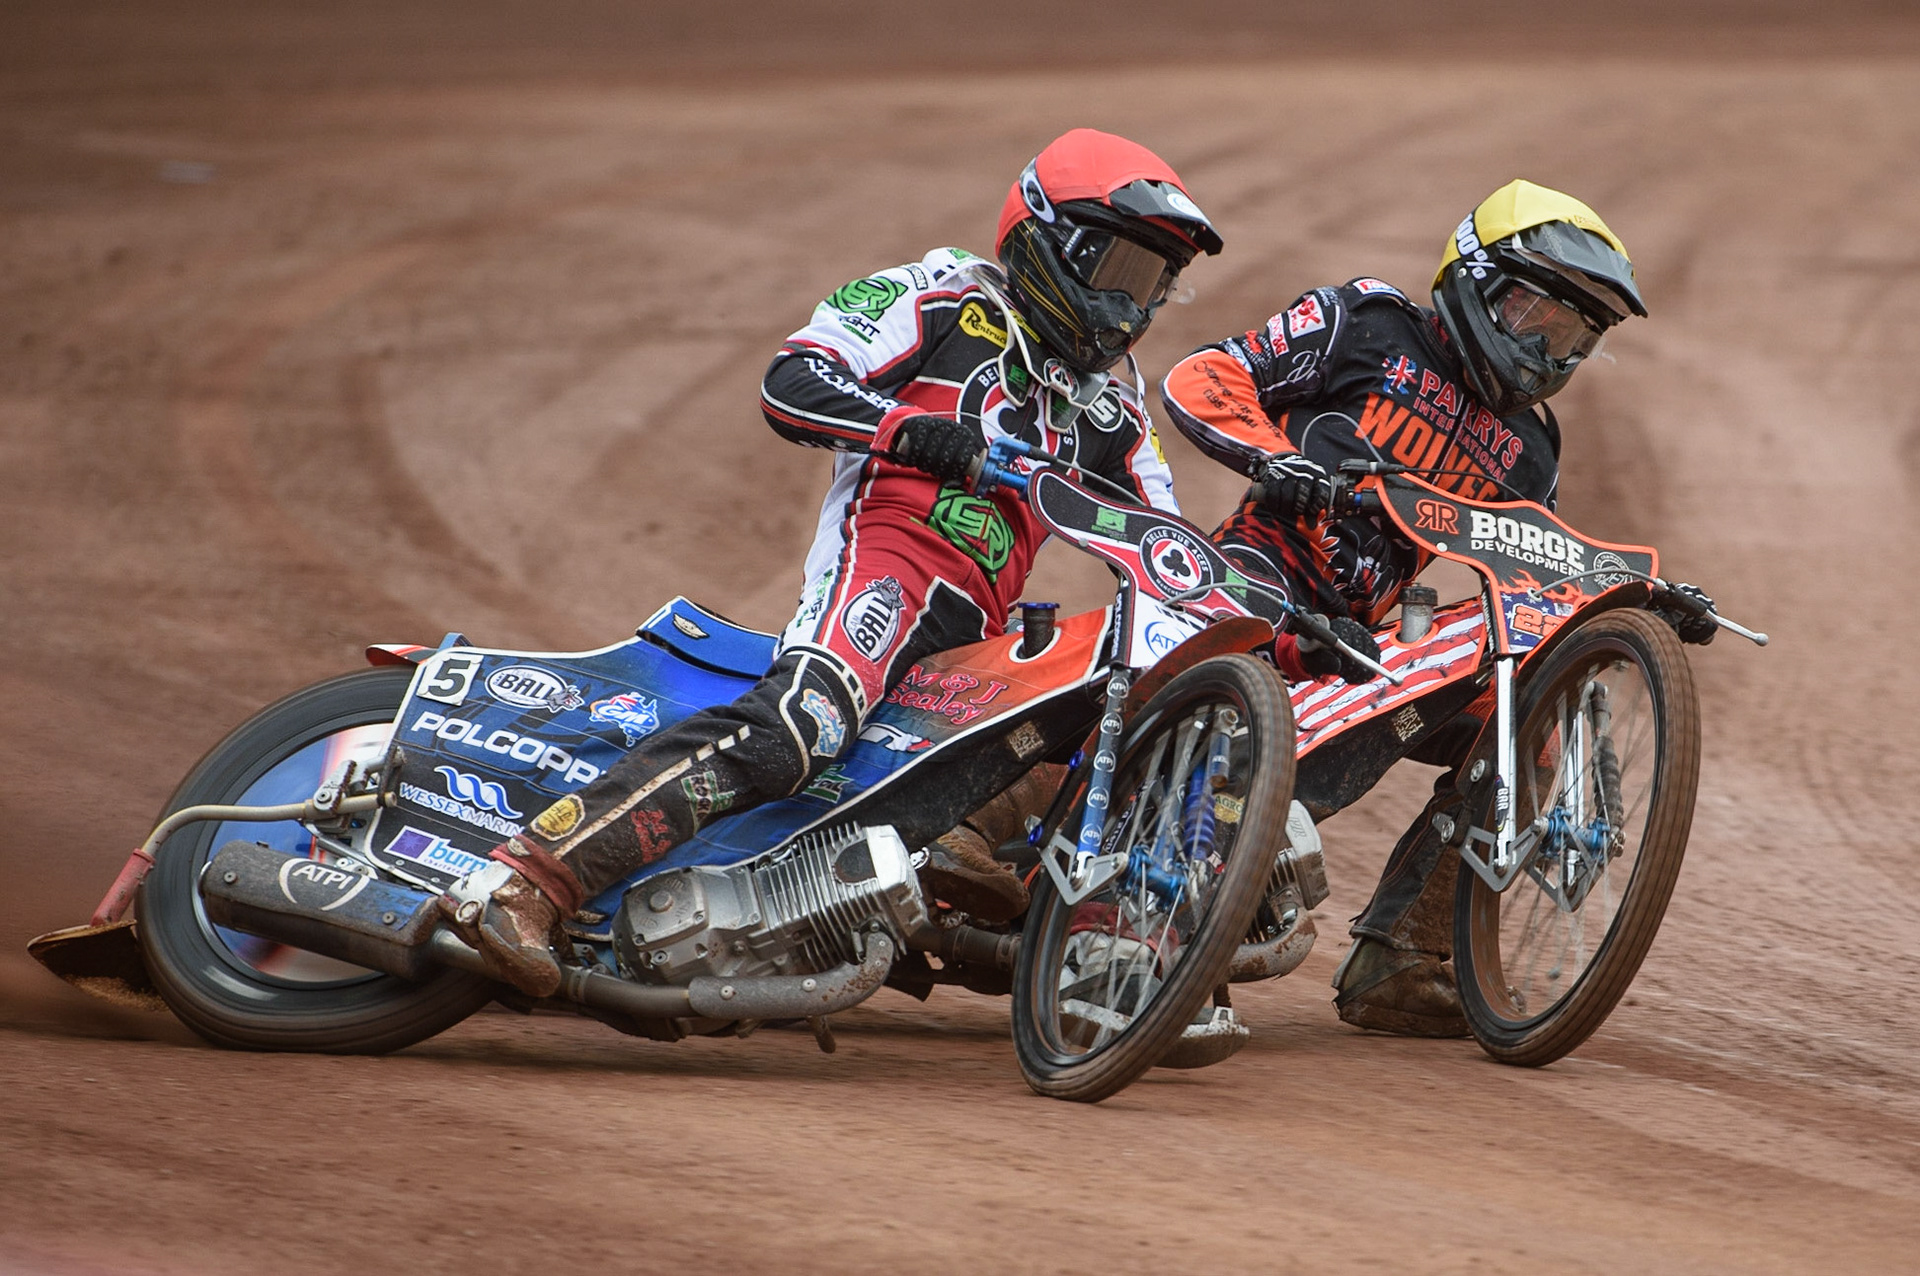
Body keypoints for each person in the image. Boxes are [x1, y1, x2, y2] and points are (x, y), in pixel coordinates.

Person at [440, 129, 1224, 997]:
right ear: (1046, 235)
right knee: (800, 726)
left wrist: (1272, 617)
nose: (1130, 304)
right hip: (885, 566)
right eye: (1119, 267)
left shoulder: (1116, 397)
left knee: (1085, 742)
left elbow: (1168, 543)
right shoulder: (939, 295)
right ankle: (524, 881)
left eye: (1153, 281)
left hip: (980, 627)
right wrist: (910, 431)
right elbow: (794, 380)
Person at [1159, 179, 1716, 1036]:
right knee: (1218, 687)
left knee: (1536, 709)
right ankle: (1151, 932)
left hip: (1374, 635)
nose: (1548, 350)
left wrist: (1642, 599)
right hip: (1257, 574)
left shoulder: (1529, 447)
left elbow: (1540, 581)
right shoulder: (1367, 321)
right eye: (1537, 315)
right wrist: (1277, 457)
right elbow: (1210, 374)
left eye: (1574, 336)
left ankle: (1408, 958)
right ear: (1478, 279)